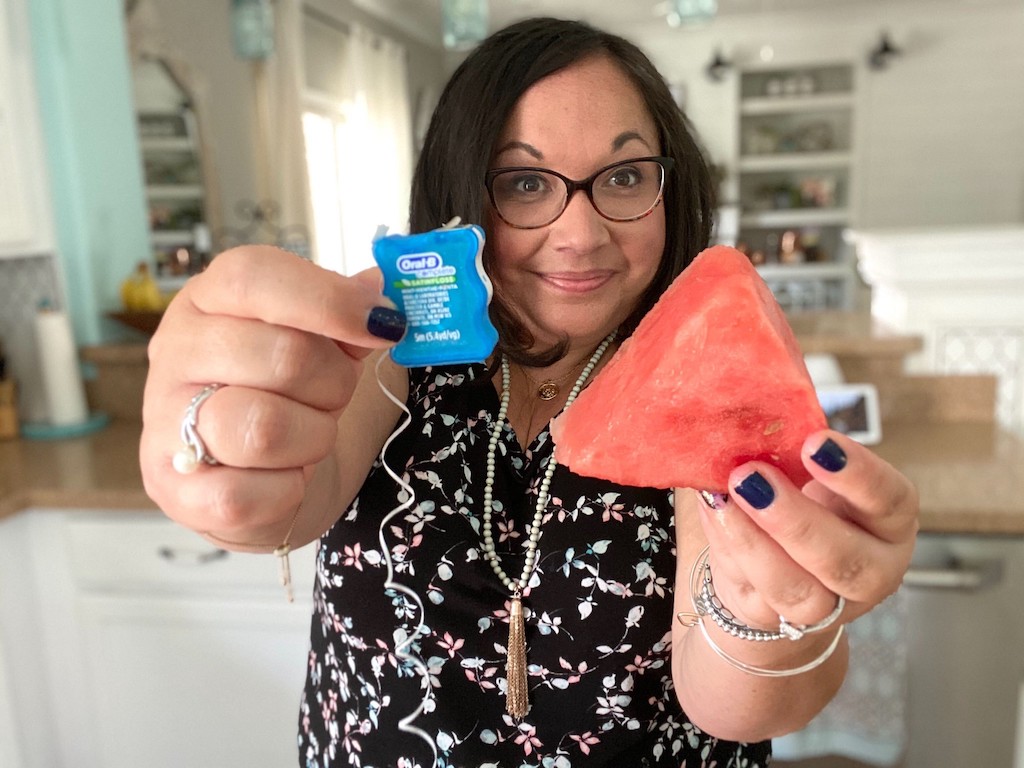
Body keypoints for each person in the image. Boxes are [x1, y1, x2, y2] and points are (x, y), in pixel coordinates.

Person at [140, 16, 919, 768]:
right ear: (463, 192)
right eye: (522, 182)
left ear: (669, 186)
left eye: (622, 176)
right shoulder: (399, 345)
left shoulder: (698, 372)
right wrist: (214, 459)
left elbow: (737, 703)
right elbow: (280, 506)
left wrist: (763, 613)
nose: (579, 234)